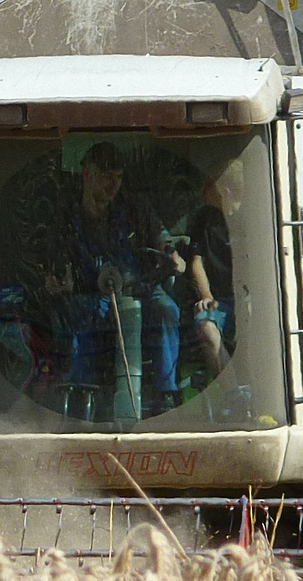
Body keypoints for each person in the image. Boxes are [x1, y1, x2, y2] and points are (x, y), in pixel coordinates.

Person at [44, 140, 184, 416]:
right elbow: (52, 258)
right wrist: (56, 279)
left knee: (167, 309)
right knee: (76, 321)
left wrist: (171, 252)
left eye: (118, 177)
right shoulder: (66, 215)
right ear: (87, 174)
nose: (113, 184)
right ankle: (79, 400)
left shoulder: (134, 208)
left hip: (138, 287)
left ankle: (166, 394)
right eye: (106, 176)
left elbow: (160, 234)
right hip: (88, 292)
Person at [184, 175, 235, 375]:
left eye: (208, 186)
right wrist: (207, 296)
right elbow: (196, 262)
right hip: (218, 301)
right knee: (206, 325)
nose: (203, 192)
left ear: (225, 191)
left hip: (246, 300)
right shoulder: (204, 220)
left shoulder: (251, 219)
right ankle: (232, 394)